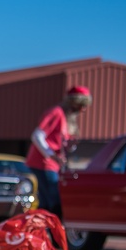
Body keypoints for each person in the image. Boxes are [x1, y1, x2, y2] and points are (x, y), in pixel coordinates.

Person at [25, 86, 92, 219]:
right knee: (54, 201)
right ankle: (55, 235)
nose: (83, 110)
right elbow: (37, 136)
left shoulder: (67, 119)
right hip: (43, 164)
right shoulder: (56, 113)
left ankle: (40, 233)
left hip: (54, 166)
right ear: (74, 103)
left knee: (46, 203)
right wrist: (52, 156)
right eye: (81, 106)